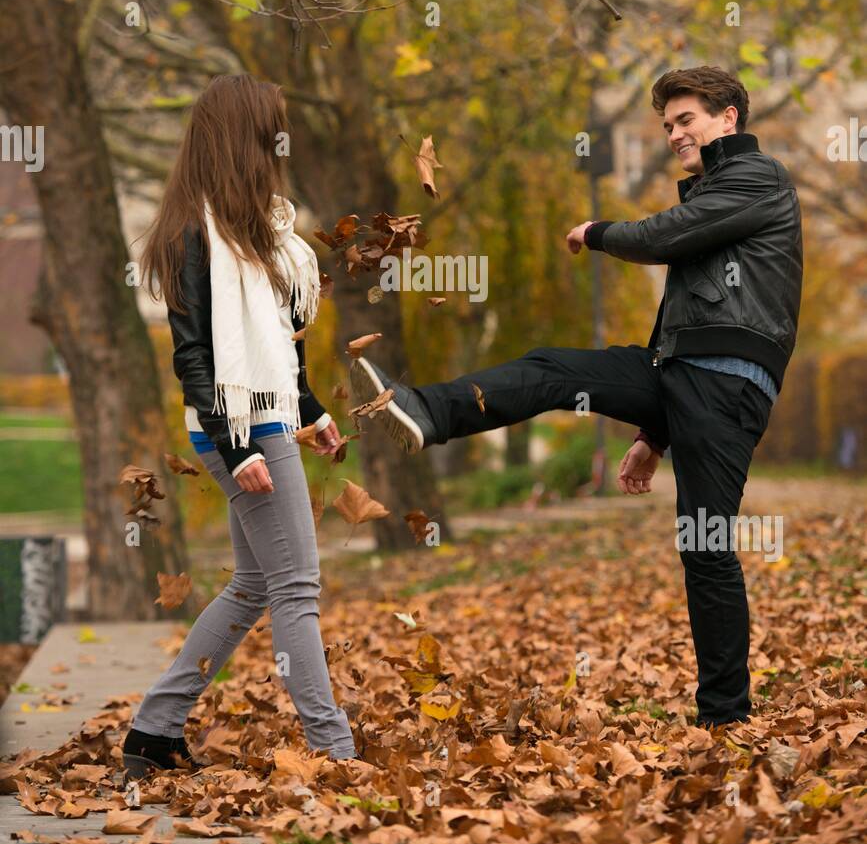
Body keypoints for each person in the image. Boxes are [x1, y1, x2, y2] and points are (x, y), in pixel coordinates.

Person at [350, 66, 803, 730]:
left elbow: (662, 238)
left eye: (685, 120)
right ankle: (424, 411)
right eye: (667, 125)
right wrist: (653, 435)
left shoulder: (755, 178)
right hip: (678, 371)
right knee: (554, 368)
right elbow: (681, 310)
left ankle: (725, 719)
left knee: (703, 545)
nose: (674, 133)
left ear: (728, 117)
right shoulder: (715, 190)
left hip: (728, 381)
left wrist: (596, 232)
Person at [122, 73, 357, 777]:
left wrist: (310, 412)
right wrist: (238, 443)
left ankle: (153, 732)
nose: (279, 144)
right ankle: (333, 748)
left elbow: (282, 345)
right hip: (239, 430)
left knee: (255, 585)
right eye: (271, 131)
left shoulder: (263, 235)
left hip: (270, 422)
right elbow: (191, 357)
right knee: (296, 587)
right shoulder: (195, 236)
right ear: (243, 140)